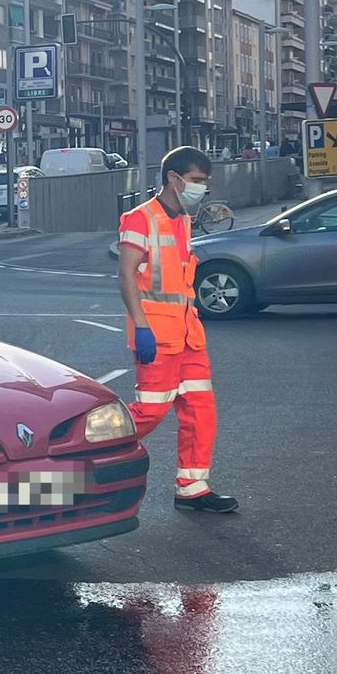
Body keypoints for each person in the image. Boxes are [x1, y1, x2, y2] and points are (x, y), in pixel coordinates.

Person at [116, 146, 238, 514]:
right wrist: (141, 328)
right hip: (157, 334)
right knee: (150, 412)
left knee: (201, 410)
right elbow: (125, 276)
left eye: (205, 182)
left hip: (187, 334)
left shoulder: (183, 219)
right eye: (197, 180)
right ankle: (87, 453)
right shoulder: (140, 219)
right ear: (174, 178)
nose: (202, 188)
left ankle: (192, 488)